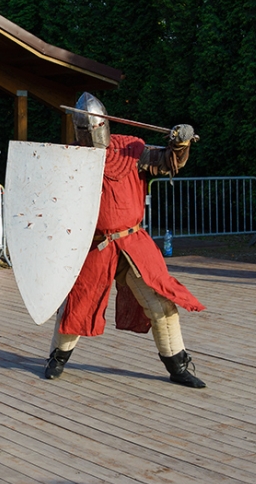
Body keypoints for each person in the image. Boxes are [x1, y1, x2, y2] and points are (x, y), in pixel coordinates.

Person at [44, 92, 206, 389]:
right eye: (84, 129)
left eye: (94, 127)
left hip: (133, 243)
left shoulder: (131, 149)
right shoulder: (71, 157)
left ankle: (178, 366)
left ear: (104, 124)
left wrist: (179, 143)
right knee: (77, 306)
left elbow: (167, 161)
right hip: (95, 246)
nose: (90, 134)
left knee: (161, 303)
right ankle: (57, 358)